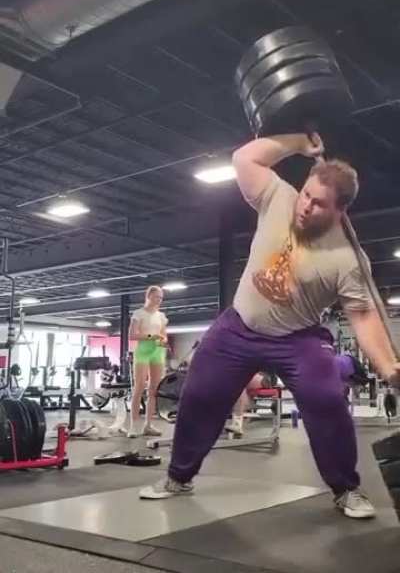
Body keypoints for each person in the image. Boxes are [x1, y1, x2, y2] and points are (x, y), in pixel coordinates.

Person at [140, 132, 400, 519]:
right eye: (307, 195)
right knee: (200, 394)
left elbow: (363, 316)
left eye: (319, 204)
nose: (306, 206)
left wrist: (388, 367)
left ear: (340, 211)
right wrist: (298, 143)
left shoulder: (348, 259)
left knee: (327, 399)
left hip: (298, 338)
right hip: (238, 326)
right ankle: (179, 477)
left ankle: (346, 489)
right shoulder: (280, 198)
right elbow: (245, 158)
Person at [127, 285, 168, 437]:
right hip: (143, 350)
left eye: (161, 298)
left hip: (157, 351)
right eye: (157, 297)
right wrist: (151, 337)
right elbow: (132, 335)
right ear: (149, 296)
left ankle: (148, 425)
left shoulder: (161, 316)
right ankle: (133, 426)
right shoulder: (139, 314)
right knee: (139, 387)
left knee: (154, 390)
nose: (159, 300)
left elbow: (164, 335)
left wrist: (163, 341)